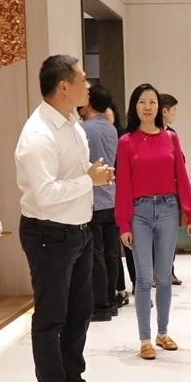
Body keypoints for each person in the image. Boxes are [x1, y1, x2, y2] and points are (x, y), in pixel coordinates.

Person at [15, 54, 114, 382]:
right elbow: (45, 194)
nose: (89, 85)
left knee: (79, 311)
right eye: (83, 79)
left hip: (78, 230)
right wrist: (89, 180)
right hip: (48, 234)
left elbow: (73, 171)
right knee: (51, 316)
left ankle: (73, 379)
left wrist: (93, 173)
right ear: (63, 87)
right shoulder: (38, 135)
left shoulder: (72, 122)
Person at [115, 83, 191, 360]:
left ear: (159, 108)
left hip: (168, 209)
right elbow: (123, 185)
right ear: (134, 106)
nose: (148, 107)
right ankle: (144, 339)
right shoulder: (126, 141)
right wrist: (123, 224)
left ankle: (163, 332)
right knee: (143, 278)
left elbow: (181, 177)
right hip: (139, 212)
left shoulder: (170, 138)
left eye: (152, 102)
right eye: (142, 102)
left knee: (163, 277)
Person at [80, 85, 120, 322]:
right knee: (112, 254)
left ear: (89, 103)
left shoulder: (83, 129)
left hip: (93, 199)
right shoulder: (111, 129)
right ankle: (112, 301)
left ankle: (101, 305)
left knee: (96, 255)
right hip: (112, 197)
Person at [104, 102, 134, 301]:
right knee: (113, 248)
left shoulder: (123, 136)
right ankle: (120, 287)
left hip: (123, 195)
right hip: (108, 197)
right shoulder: (103, 137)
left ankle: (138, 283)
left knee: (129, 246)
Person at [159, 93, 183, 286]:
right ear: (165, 111)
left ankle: (169, 271)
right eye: (173, 110)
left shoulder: (171, 133)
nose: (175, 113)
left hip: (170, 194)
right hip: (150, 194)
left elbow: (180, 160)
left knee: (169, 237)